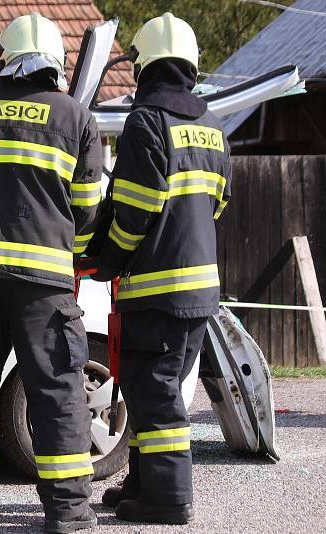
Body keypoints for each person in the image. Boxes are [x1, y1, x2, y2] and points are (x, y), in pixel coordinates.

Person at [0, 13, 102, 533]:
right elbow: (88, 211)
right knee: (55, 391)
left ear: (2, 59)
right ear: (55, 63)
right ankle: (68, 511)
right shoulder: (75, 118)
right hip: (42, 282)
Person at [91, 13, 231, 525]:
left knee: (156, 394)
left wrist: (110, 259)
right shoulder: (212, 126)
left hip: (157, 290)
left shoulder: (147, 123)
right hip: (199, 293)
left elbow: (135, 211)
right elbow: (218, 203)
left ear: (143, 65)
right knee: (155, 388)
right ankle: (143, 484)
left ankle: (169, 498)